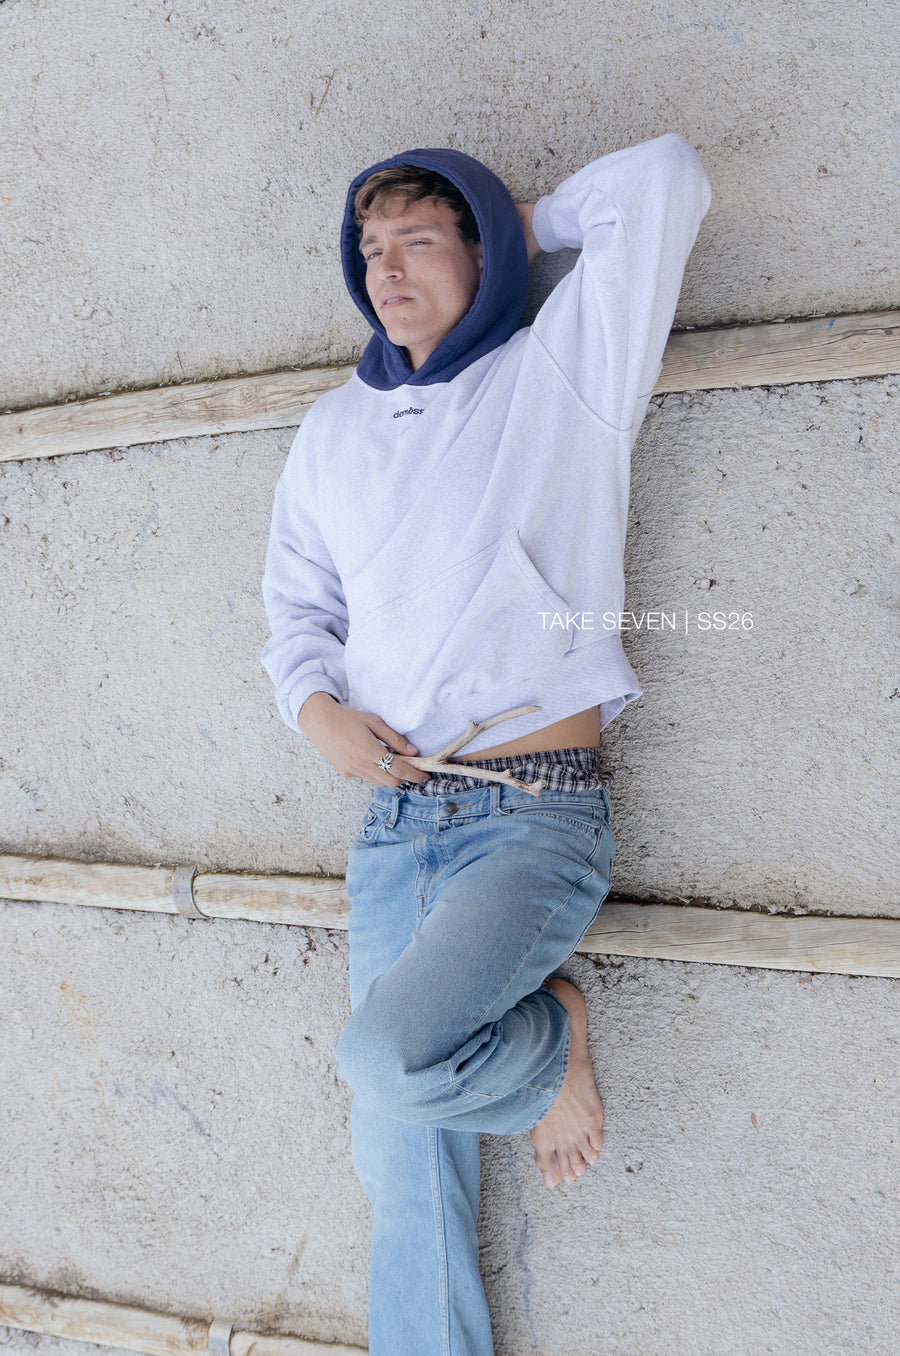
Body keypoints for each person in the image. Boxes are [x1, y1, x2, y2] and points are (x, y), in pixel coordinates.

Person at [262, 132, 711, 1355]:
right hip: (396, 819)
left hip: (532, 814)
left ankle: (546, 1042)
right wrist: (315, 711)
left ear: (483, 250)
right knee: (397, 1167)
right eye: (371, 248)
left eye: (419, 238)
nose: (388, 268)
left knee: (390, 1062)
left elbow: (666, 181)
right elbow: (294, 612)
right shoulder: (330, 431)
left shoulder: (561, 371)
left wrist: (535, 218)